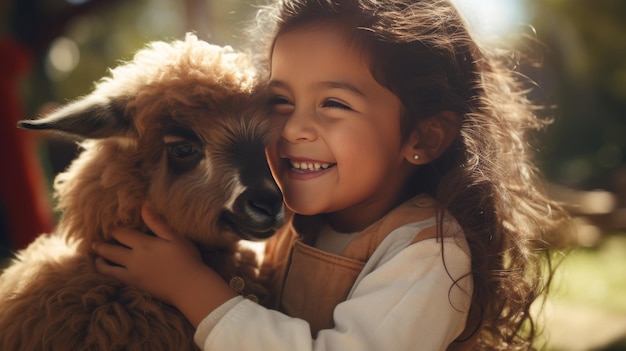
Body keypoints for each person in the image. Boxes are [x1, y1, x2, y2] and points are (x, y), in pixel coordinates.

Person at [92, 0, 570, 349]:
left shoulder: (428, 255)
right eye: (280, 102)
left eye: (334, 104)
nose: (294, 127)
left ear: (422, 138)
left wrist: (190, 286)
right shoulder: (296, 226)